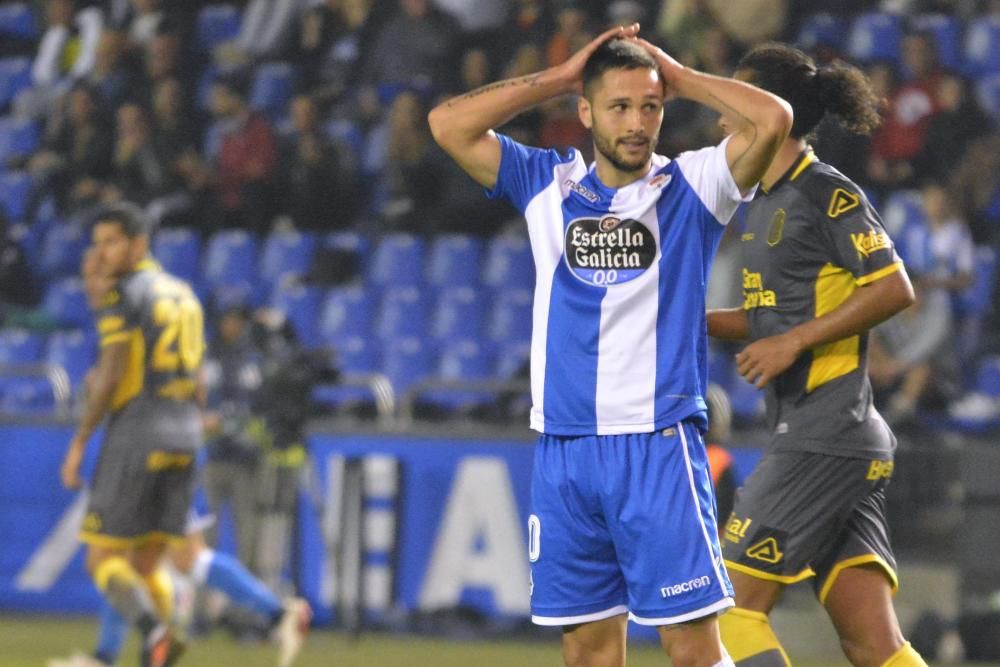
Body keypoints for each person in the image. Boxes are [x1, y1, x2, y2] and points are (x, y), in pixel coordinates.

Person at [428, 23, 792, 666]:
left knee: (692, 650)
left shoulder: (693, 186)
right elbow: (448, 124)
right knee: (589, 652)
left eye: (649, 107)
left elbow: (773, 119)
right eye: (619, 106)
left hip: (656, 442)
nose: (636, 122)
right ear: (586, 111)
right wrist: (558, 76)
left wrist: (679, 77)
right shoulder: (546, 181)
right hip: (565, 449)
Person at [705, 43, 927, 666]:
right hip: (833, 436)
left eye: (734, 105)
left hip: (825, 430)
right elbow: (773, 318)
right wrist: (685, 324)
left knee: (728, 615)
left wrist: (793, 342)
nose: (723, 121)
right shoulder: (764, 203)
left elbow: (894, 287)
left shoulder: (826, 193)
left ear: (768, 115)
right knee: (873, 643)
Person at [49, 248, 310, 667]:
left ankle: (132, 648)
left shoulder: (129, 312)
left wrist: (101, 403)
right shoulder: (162, 309)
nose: (88, 285)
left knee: (116, 557)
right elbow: (195, 381)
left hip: (145, 451)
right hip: (171, 449)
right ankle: (277, 613)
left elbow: (131, 380)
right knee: (168, 558)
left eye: (94, 275)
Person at [59, 203, 203, 667]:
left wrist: (81, 439)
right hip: (185, 432)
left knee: (101, 560)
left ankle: (157, 631)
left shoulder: (124, 294)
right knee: (146, 566)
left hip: (138, 432)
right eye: (97, 243)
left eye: (111, 242)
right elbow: (199, 380)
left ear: (139, 244)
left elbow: (112, 369)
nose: (101, 254)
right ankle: (162, 645)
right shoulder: (183, 293)